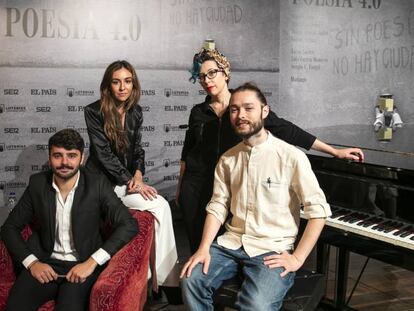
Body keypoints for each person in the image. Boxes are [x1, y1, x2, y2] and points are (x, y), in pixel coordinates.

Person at [177, 41, 363, 253]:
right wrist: (181, 186)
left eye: (212, 73)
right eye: (202, 76)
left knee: (227, 247)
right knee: (197, 248)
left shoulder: (246, 106)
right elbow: (188, 151)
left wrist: (334, 151)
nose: (207, 80)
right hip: (196, 186)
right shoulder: (198, 111)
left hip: (232, 186)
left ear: (225, 72)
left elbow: (288, 130)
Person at [180, 83, 332, 310]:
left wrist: (297, 258)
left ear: (265, 111)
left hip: (271, 249)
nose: (240, 115)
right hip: (229, 245)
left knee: (256, 305)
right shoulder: (227, 159)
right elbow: (218, 206)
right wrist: (203, 248)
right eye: (234, 109)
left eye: (248, 108)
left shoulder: (291, 157)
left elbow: (318, 211)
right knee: (190, 280)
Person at [1, 129, 138, 310]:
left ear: (81, 159)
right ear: (49, 158)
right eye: (58, 156)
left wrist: (91, 263)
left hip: (82, 266)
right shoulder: (37, 183)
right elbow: (9, 227)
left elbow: (129, 224)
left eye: (71, 156)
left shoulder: (97, 184)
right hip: (45, 264)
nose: (65, 162)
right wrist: (32, 262)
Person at [84, 60, 179, 290]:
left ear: (133, 84)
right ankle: (150, 281)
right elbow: (103, 154)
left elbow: (137, 149)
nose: (122, 87)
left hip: (126, 181)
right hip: (101, 184)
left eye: (127, 81)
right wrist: (130, 180)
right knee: (153, 206)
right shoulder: (93, 111)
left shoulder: (135, 112)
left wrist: (138, 174)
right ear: (108, 85)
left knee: (162, 206)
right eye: (116, 82)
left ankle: (167, 281)